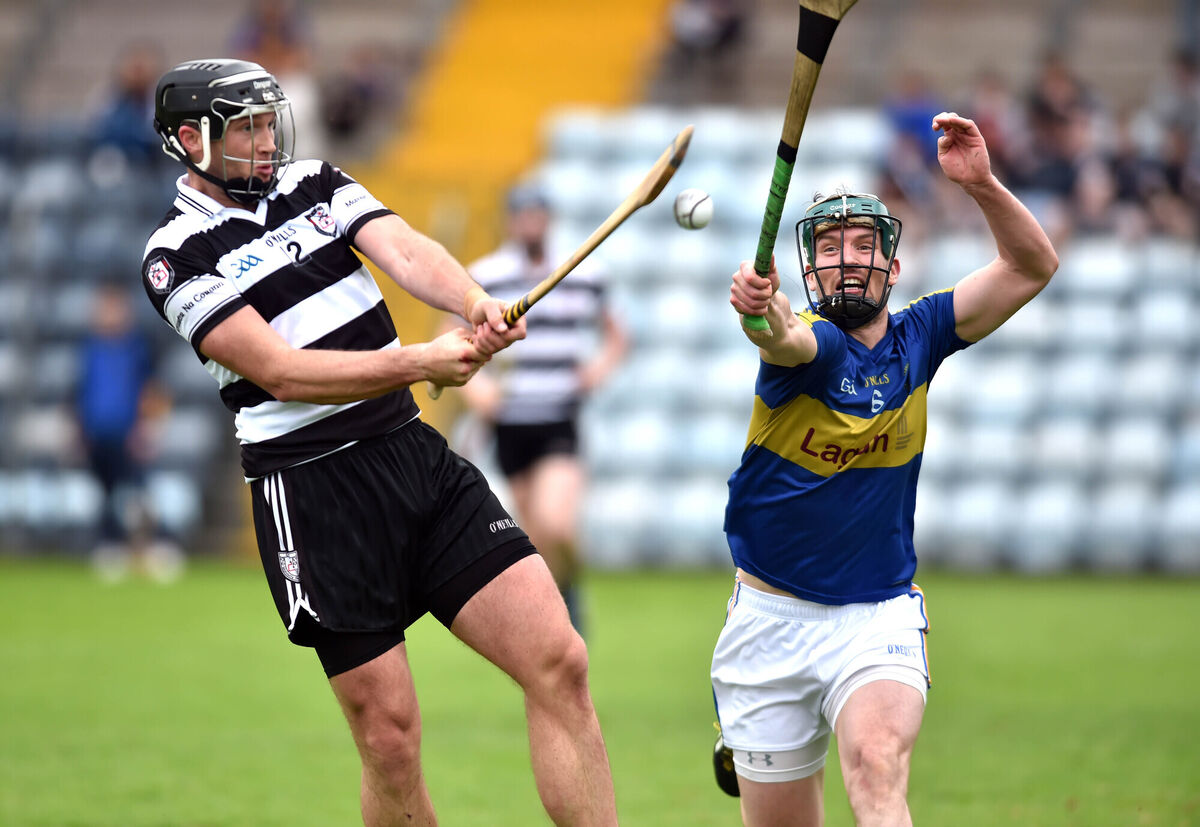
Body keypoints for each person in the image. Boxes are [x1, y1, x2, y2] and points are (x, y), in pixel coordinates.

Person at [142, 58, 617, 826]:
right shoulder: (174, 256)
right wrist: (421, 360)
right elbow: (280, 371)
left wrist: (472, 300)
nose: (268, 141)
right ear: (192, 141)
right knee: (390, 741)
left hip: (412, 456)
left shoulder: (317, 183)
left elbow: (405, 250)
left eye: (271, 123)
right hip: (313, 492)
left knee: (559, 659)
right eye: (248, 129)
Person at [711, 112, 1058, 825]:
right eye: (831, 247)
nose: (847, 259)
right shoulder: (814, 347)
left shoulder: (921, 334)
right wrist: (760, 310)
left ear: (892, 266)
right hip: (768, 620)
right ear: (810, 270)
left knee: (877, 764)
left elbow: (1032, 267)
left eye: (864, 244)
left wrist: (983, 185)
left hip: (877, 614)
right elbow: (779, 337)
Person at [454, 183, 628, 634]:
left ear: (547, 219)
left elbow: (617, 335)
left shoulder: (581, 274)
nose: (530, 223)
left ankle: (569, 592)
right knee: (533, 539)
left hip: (558, 419)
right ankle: (556, 613)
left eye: (538, 215)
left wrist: (597, 370)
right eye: (522, 215)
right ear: (511, 221)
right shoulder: (486, 277)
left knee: (556, 524)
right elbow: (451, 336)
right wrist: (478, 392)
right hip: (508, 425)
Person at [76, 282, 182, 582]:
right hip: (98, 435)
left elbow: (155, 389)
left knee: (141, 496)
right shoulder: (89, 347)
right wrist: (79, 430)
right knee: (108, 495)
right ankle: (111, 547)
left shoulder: (139, 346)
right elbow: (81, 392)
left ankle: (161, 546)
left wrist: (148, 426)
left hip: (130, 434)